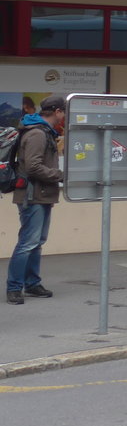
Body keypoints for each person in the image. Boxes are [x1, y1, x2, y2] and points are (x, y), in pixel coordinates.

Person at [6, 95, 66, 305]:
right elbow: (32, 167)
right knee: (27, 243)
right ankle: (14, 288)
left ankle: (32, 283)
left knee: (36, 243)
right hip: (32, 196)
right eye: (64, 112)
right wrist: (59, 175)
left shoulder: (43, 132)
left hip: (41, 194)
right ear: (57, 111)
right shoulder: (37, 134)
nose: (64, 117)